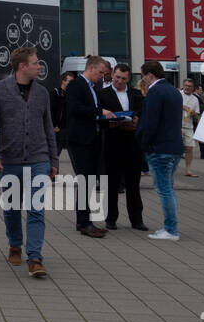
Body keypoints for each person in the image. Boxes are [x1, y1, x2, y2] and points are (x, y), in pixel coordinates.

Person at [0, 47, 57, 277]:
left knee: (36, 208)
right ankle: (15, 243)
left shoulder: (42, 93)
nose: (39, 66)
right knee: (12, 207)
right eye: (35, 63)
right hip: (9, 160)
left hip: (38, 158)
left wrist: (53, 159)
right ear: (22, 66)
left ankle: (34, 257)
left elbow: (48, 128)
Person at [62, 55, 113, 238]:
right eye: (100, 73)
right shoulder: (77, 85)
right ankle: (84, 222)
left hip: (92, 138)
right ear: (91, 68)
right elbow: (75, 108)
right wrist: (100, 112)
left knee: (90, 180)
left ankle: (84, 220)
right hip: (80, 140)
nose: (101, 77)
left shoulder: (93, 87)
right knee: (85, 180)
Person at [136, 61, 184, 241]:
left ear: (149, 75)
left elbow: (150, 122)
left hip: (160, 147)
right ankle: (170, 227)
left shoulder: (154, 92)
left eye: (143, 76)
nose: (143, 80)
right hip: (175, 146)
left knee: (164, 189)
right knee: (169, 188)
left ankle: (171, 229)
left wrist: (144, 144)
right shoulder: (174, 91)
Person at [99, 63, 146, 231]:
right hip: (112, 141)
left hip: (132, 143)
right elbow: (98, 116)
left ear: (128, 79)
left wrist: (136, 120)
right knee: (111, 182)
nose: (119, 81)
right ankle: (110, 218)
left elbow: (142, 112)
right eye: (117, 77)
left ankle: (136, 219)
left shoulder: (135, 94)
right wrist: (109, 121)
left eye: (123, 79)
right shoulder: (103, 94)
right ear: (112, 74)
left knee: (133, 183)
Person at [179, 79, 202, 177]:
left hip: (189, 125)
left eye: (190, 86)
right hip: (177, 125)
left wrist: (193, 113)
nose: (187, 87)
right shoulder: (178, 95)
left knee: (189, 148)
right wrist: (182, 107)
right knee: (175, 148)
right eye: (186, 85)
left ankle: (188, 169)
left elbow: (197, 115)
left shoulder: (195, 99)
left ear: (193, 88)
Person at [49, 71, 74, 154]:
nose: (71, 84)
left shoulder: (71, 95)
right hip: (58, 130)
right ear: (63, 81)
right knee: (55, 154)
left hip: (69, 129)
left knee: (74, 156)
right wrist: (54, 126)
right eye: (69, 81)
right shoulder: (55, 93)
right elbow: (50, 111)